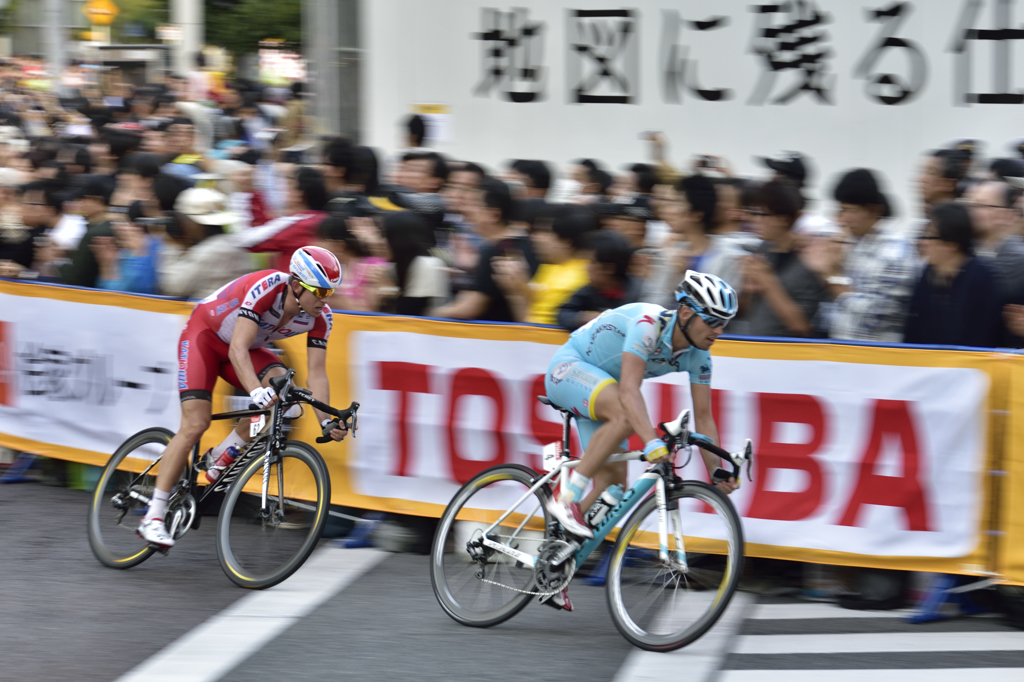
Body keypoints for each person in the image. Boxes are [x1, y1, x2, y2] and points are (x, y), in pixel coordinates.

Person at [540, 270, 740, 610]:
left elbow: (704, 417)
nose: (719, 332)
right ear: (687, 312)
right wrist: (650, 441)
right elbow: (631, 391)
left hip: (605, 387)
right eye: (714, 322)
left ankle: (554, 560)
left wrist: (717, 471)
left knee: (613, 487)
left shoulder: (700, 355)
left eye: (726, 323)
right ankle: (567, 497)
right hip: (571, 369)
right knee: (624, 415)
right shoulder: (649, 325)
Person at [137, 246, 350, 548]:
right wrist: (254, 391)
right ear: (296, 285)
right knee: (195, 424)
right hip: (205, 338)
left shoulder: (321, 317)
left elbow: (317, 373)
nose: (325, 300)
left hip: (247, 348)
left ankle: (219, 454)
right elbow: (237, 346)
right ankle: (153, 516)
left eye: (330, 293)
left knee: (284, 398)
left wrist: (326, 421)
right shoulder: (267, 287)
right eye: (319, 292)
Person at [903, 202, 1002, 347]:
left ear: (952, 243)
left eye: (930, 237)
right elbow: (912, 331)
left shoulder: (980, 277)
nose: (923, 242)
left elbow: (982, 338)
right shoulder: (927, 273)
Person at [742, 180, 830, 337]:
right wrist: (748, 287)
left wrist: (767, 282)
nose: (754, 220)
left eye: (761, 214)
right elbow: (747, 311)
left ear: (782, 219)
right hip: (755, 348)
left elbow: (802, 326)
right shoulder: (764, 249)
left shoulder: (808, 260)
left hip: (787, 355)